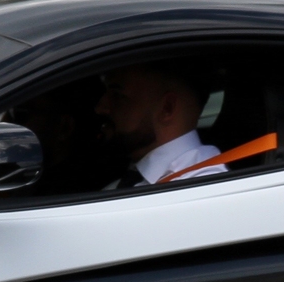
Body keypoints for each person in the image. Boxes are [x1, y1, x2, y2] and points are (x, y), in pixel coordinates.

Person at [96, 61, 226, 188]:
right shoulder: (116, 187)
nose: (100, 108)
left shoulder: (204, 188)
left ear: (167, 108)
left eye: (118, 96)